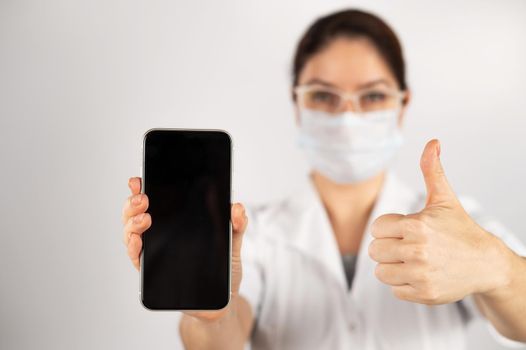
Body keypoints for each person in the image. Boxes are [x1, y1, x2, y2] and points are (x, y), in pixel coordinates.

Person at [121, 9, 526, 350]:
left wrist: (496, 268)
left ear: (403, 106)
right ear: (297, 105)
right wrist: (211, 312)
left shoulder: (459, 228)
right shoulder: (251, 234)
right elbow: (218, 340)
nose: (348, 117)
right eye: (323, 95)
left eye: (373, 96)